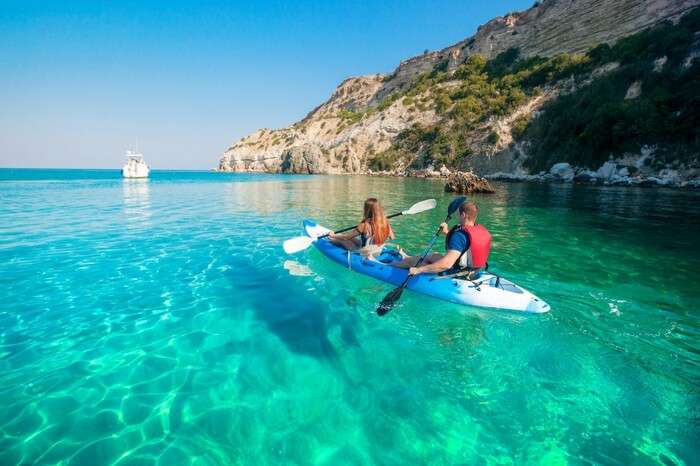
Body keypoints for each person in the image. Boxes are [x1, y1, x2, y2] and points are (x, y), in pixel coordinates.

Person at [393, 201, 491, 276]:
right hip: (475, 272)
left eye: (459, 214)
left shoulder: (459, 235)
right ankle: (406, 257)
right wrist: (446, 232)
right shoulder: (479, 230)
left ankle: (387, 266)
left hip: (456, 274)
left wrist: (418, 270)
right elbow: (465, 246)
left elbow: (447, 264)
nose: (458, 216)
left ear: (464, 215)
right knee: (434, 255)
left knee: (413, 263)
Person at [329, 198, 395, 253]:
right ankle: (333, 237)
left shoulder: (364, 225)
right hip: (377, 250)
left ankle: (328, 240)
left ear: (367, 210)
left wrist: (333, 235)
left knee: (343, 240)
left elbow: (346, 237)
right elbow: (392, 237)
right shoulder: (385, 221)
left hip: (364, 252)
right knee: (351, 238)